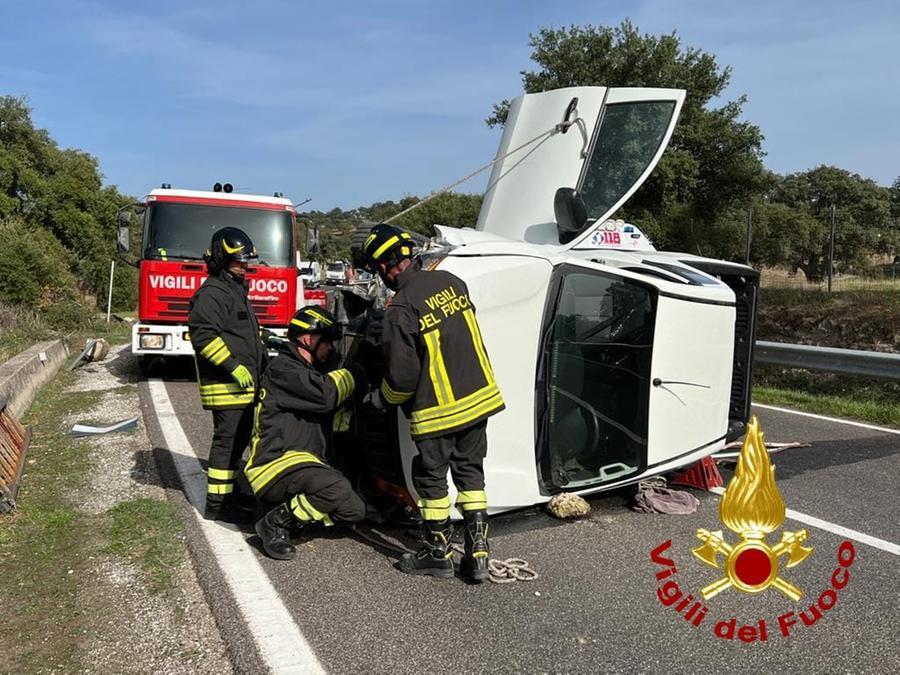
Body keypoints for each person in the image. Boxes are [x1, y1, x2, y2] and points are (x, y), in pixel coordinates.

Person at [362, 223, 505, 582]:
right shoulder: (454, 283)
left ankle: (436, 552)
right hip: (479, 399)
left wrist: (380, 399)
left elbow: (403, 379)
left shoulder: (400, 308)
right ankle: (478, 553)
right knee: (471, 474)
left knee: (431, 480)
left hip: (437, 410)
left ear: (382, 268)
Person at [245, 305, 367, 560]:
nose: (331, 349)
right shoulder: (284, 370)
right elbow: (326, 395)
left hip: (303, 467)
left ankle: (290, 512)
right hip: (274, 466)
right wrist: (358, 371)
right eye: (327, 342)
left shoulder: (307, 372)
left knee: (354, 511)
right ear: (309, 339)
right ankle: (274, 523)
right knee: (335, 489)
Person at [188, 227, 267, 522]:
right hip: (227, 386)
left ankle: (230, 492)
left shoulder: (233, 290)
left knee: (238, 443)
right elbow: (204, 336)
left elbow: (239, 333)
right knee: (227, 444)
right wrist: (232, 365)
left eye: (246, 262)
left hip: (243, 387)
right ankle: (217, 506)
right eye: (238, 262)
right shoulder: (212, 293)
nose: (244, 267)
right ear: (222, 260)